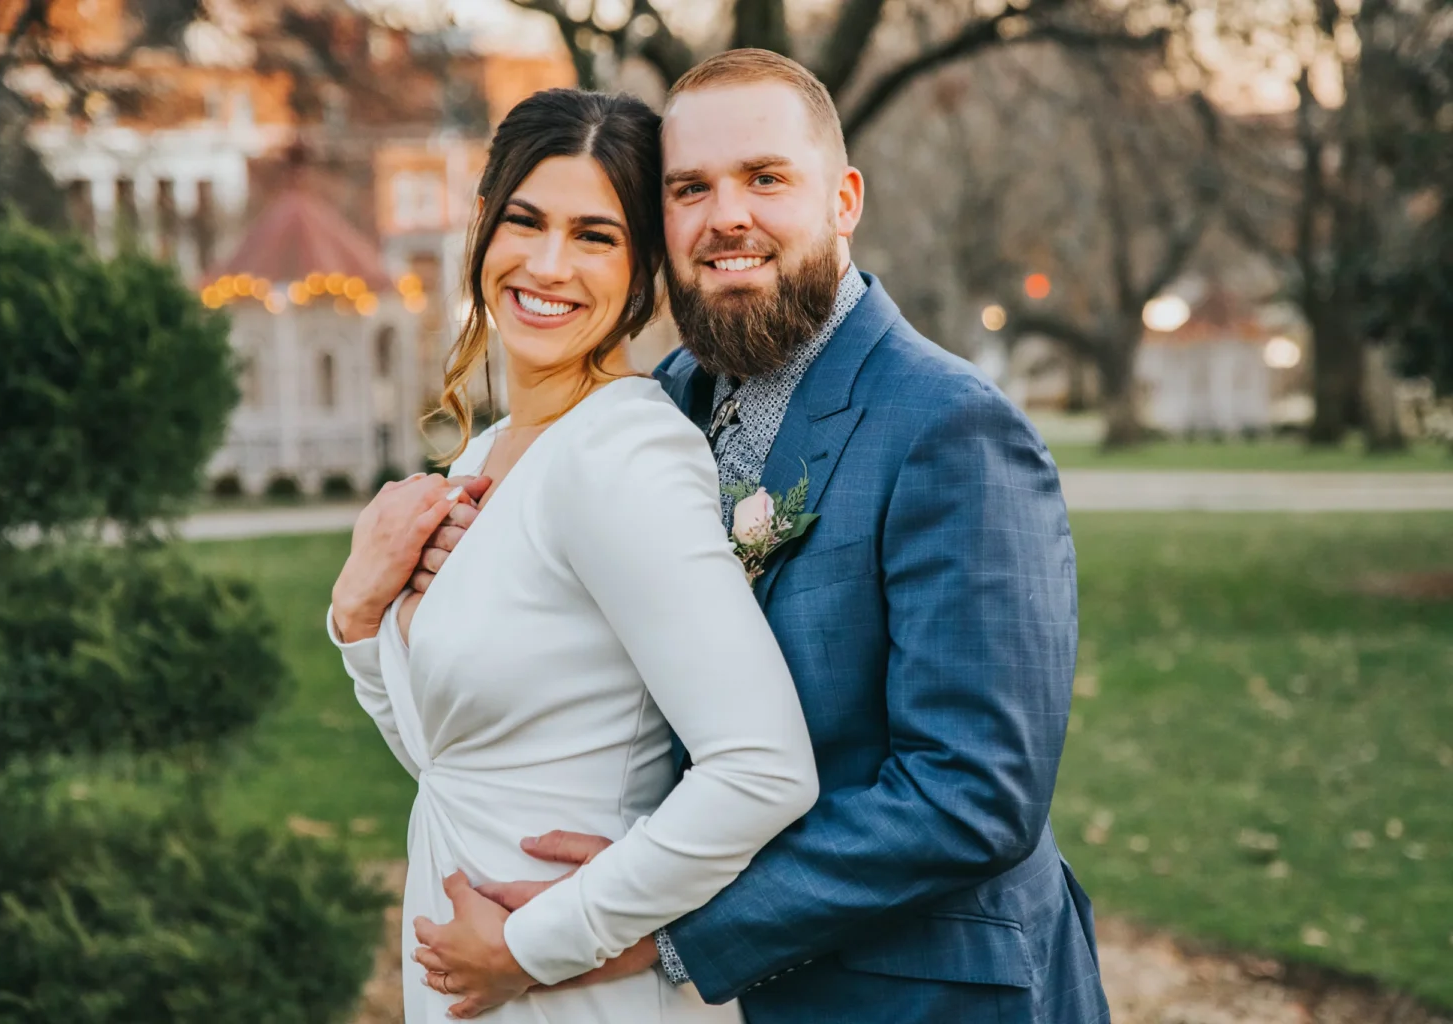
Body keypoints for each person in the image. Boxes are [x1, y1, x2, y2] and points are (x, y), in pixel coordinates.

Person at [406, 50, 1111, 1024]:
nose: (725, 215)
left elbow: (972, 793)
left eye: (766, 178)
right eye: (691, 188)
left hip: (921, 996)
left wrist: (666, 931)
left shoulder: (949, 428)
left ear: (844, 199)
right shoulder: (657, 412)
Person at [326, 88, 818, 1023]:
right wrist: (356, 616)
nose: (548, 264)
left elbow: (762, 768)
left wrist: (532, 948)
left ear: (645, 272)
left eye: (595, 236)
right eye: (526, 221)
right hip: (466, 979)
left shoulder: (621, 455)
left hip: (567, 989)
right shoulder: (484, 458)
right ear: (482, 227)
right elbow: (455, 763)